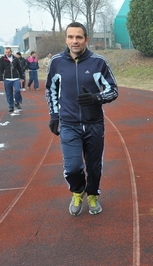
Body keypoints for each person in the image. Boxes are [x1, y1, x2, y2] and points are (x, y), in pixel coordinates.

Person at [45, 21, 118, 216]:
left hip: (94, 124)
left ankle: (93, 195)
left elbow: (113, 90)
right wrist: (54, 116)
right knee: (73, 167)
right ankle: (77, 191)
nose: (74, 41)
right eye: (71, 37)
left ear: (86, 39)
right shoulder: (57, 62)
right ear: (66, 39)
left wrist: (96, 98)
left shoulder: (98, 62)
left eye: (78, 37)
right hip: (69, 124)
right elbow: (51, 90)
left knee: (94, 166)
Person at [0, 47, 24, 112]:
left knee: (17, 90)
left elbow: (19, 68)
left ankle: (17, 102)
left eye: (8, 52)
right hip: (7, 78)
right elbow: (1, 69)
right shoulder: (2, 59)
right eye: (6, 52)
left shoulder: (16, 59)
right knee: (9, 93)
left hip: (16, 78)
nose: (7, 53)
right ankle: (11, 106)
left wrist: (22, 77)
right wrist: (1, 79)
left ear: (11, 52)